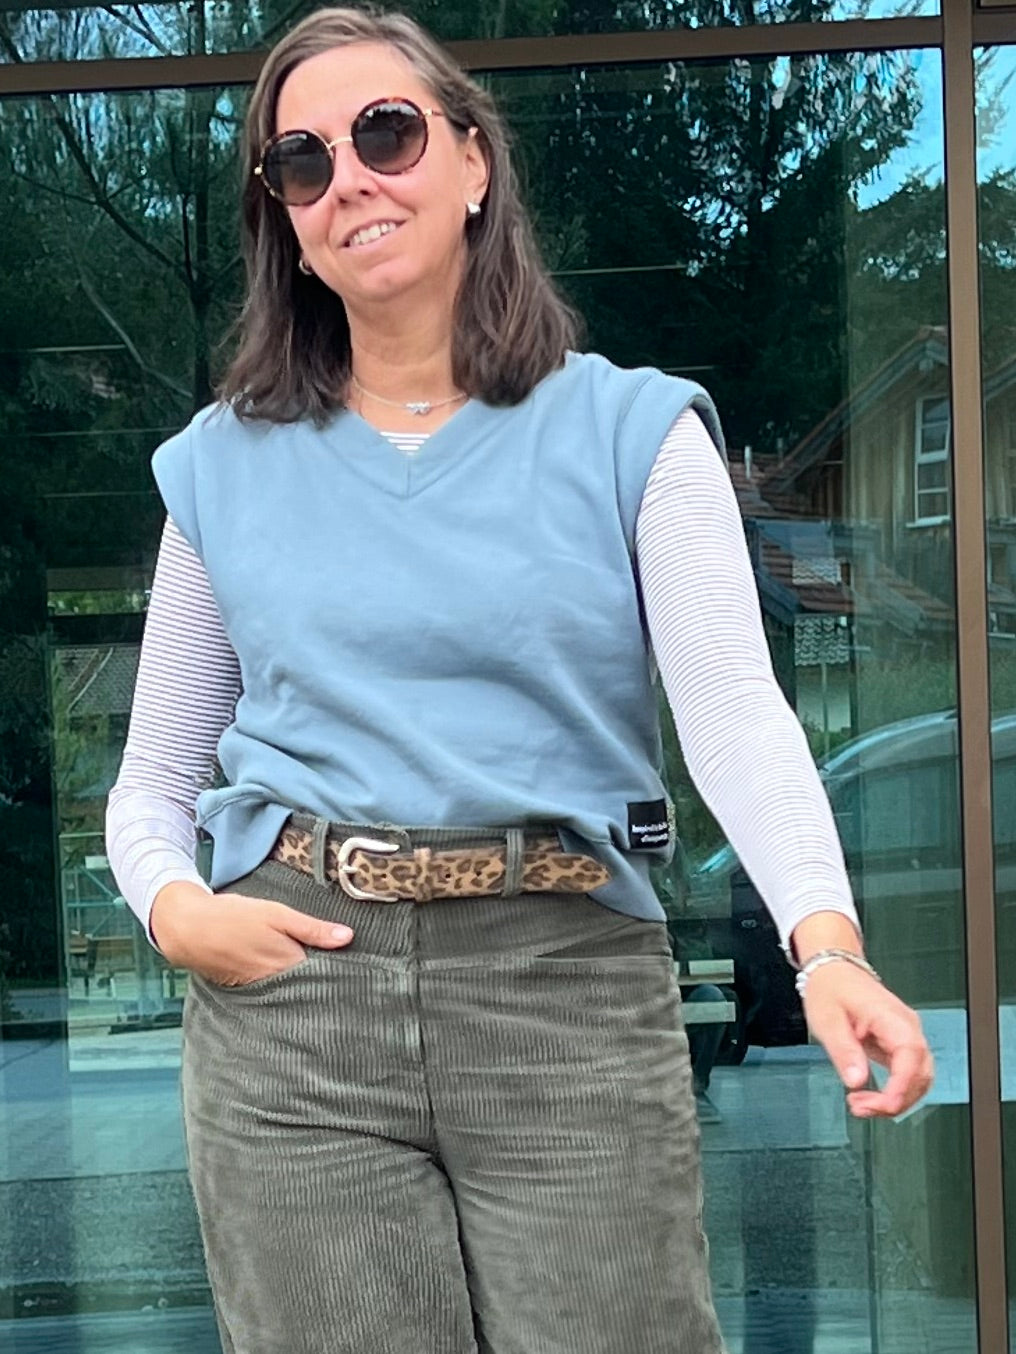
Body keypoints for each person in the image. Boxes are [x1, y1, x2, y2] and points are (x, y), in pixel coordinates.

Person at [105, 9, 934, 1352]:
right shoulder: (218, 465)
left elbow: (734, 715)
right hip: (296, 999)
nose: (348, 180)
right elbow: (152, 777)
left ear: (474, 162)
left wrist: (825, 943)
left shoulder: (633, 431)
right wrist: (174, 910)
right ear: (288, 222)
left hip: (566, 980)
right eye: (303, 163)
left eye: (385, 134)